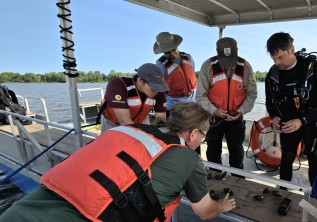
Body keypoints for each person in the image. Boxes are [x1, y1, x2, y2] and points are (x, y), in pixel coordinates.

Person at [0, 102, 236, 222]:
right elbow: (204, 212)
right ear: (193, 134)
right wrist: (223, 206)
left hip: (27, 209)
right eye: (203, 136)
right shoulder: (189, 159)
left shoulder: (130, 129)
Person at [265, 32, 317, 187]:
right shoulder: (273, 74)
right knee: (286, 158)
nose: (277, 62)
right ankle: (283, 191)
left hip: (312, 120)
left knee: (313, 157)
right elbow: (270, 102)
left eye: (280, 57)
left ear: (292, 49)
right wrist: (274, 117)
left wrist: (302, 120)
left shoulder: (314, 68)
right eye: (273, 58)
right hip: (289, 122)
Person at [196, 37, 258, 176]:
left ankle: (237, 181)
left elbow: (252, 94)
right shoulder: (207, 66)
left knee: (237, 153)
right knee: (212, 151)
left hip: (236, 118)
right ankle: (215, 178)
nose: (229, 65)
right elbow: (200, 96)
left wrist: (241, 111)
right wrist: (214, 111)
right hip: (213, 118)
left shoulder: (246, 67)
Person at [99, 63, 168, 133]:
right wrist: (142, 135)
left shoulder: (159, 91)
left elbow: (161, 119)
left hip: (141, 120)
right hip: (113, 123)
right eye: (153, 88)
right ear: (140, 81)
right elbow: (124, 121)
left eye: (159, 86)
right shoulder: (118, 85)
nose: (157, 91)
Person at [154, 32, 197, 115]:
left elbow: (193, 75)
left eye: (174, 49)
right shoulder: (160, 65)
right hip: (174, 106)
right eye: (167, 52)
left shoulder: (188, 57)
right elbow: (159, 88)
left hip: (193, 102)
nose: (172, 54)